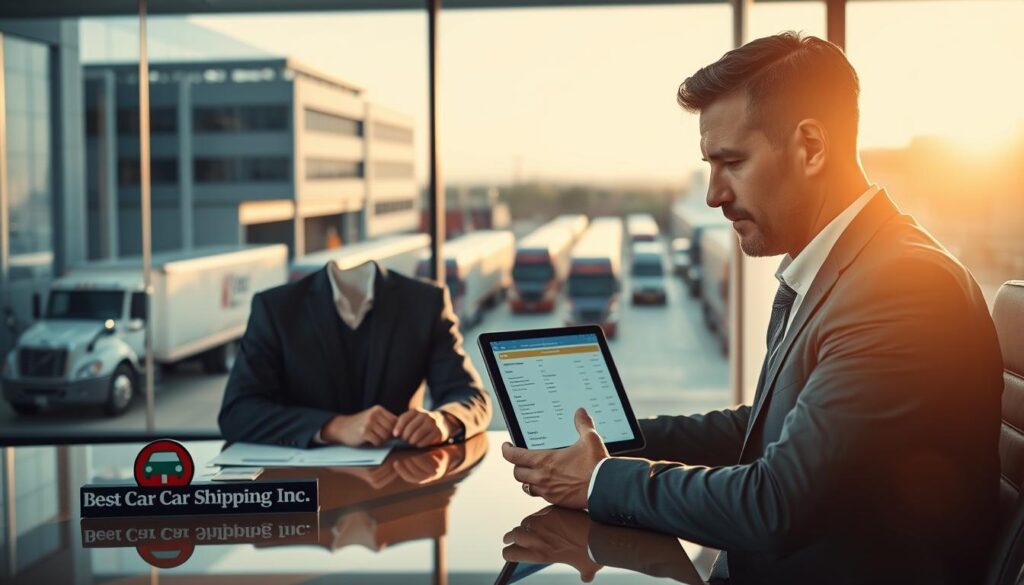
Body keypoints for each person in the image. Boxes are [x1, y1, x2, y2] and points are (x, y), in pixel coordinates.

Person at [501, 32, 1002, 583]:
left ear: (811, 147)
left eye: (731, 162)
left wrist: (599, 481)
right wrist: (616, 438)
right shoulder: (846, 268)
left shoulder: (904, 287)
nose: (714, 194)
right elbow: (768, 427)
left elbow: (776, 504)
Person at [219, 259, 491, 448]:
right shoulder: (276, 308)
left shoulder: (424, 303)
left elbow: (472, 398)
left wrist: (444, 421)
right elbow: (237, 413)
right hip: (304, 494)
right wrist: (334, 427)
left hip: (399, 486)